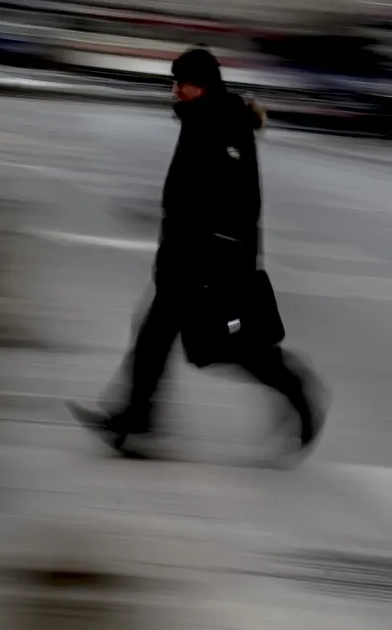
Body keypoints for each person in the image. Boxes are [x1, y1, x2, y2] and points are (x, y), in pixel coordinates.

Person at [68, 47, 324, 460]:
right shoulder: (205, 119)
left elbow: (239, 200)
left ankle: (296, 391)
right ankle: (137, 416)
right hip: (188, 256)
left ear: (200, 85)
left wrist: (224, 253)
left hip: (207, 261)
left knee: (232, 346)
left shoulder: (222, 124)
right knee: (156, 336)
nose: (174, 90)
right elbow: (193, 191)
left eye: (180, 82)